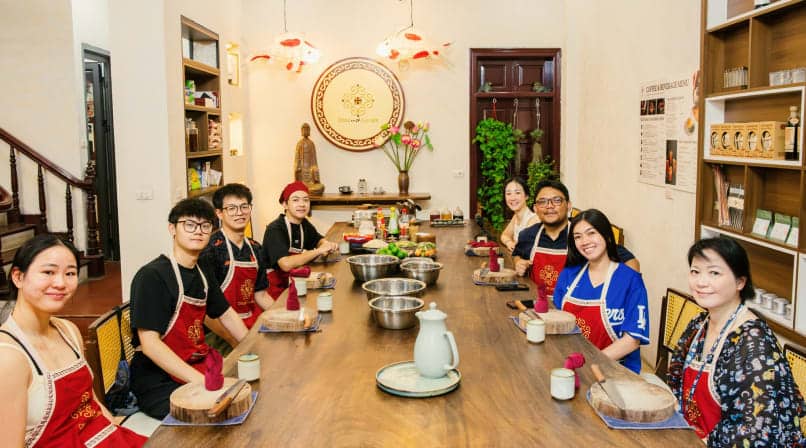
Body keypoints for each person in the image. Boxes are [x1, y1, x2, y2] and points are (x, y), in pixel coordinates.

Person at [0, 235, 147, 447]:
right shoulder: (9, 356)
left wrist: (119, 433)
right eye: (48, 272)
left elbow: (92, 403)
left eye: (70, 273)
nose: (60, 283)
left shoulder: (68, 331)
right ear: (18, 277)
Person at [667, 237, 805, 445]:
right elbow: (677, 381)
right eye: (695, 271)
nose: (701, 282)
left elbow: (755, 431)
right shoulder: (699, 323)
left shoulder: (754, 343)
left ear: (741, 281)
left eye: (714, 273)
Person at [129, 198, 249, 419]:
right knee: (214, 414)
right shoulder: (152, 276)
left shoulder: (202, 269)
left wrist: (253, 348)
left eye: (205, 226)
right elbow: (150, 345)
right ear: (172, 228)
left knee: (247, 395)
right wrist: (202, 383)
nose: (198, 232)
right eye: (189, 225)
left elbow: (225, 313)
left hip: (196, 361)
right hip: (158, 378)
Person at [553, 209, 649, 374]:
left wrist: (589, 364)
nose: (585, 241)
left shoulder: (631, 280)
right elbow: (557, 321)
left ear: (607, 236)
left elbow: (632, 340)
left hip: (616, 371)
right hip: (571, 365)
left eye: (591, 233)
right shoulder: (569, 275)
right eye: (578, 237)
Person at [512, 180, 639, 302]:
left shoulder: (581, 233)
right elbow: (517, 254)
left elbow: (629, 260)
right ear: (535, 208)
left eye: (556, 200)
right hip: (539, 306)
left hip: (576, 308)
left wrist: (620, 292)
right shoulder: (527, 235)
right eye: (542, 202)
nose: (549, 206)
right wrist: (518, 262)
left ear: (568, 205)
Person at [200, 184, 274, 353]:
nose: (239, 213)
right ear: (219, 213)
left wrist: (283, 316)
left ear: (250, 208)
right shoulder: (210, 250)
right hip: (217, 334)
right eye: (231, 208)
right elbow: (204, 312)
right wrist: (234, 340)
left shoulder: (256, 248)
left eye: (244, 207)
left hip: (249, 326)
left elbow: (260, 295)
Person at [262, 181, 339, 299]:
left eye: (306, 200)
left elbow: (318, 240)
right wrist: (318, 251)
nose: (302, 204)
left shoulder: (304, 224)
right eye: (295, 200)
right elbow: (285, 264)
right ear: (285, 204)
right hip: (271, 291)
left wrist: (327, 245)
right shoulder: (275, 229)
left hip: (292, 284)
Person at [498, 177, 539, 252]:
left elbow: (522, 248)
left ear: (526, 196)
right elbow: (504, 235)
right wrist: (509, 242)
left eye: (517, 193)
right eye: (508, 193)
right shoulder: (516, 217)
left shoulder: (533, 220)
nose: (512, 198)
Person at [294, 123, 324, 195]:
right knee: (298, 187)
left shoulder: (311, 143)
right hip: (302, 169)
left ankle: (306, 188)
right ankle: (301, 188)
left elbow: (314, 159)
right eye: (304, 129)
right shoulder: (299, 143)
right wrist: (297, 167)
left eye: (307, 129)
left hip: (310, 169)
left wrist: (315, 169)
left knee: (320, 187)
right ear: (301, 131)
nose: (305, 131)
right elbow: (297, 157)